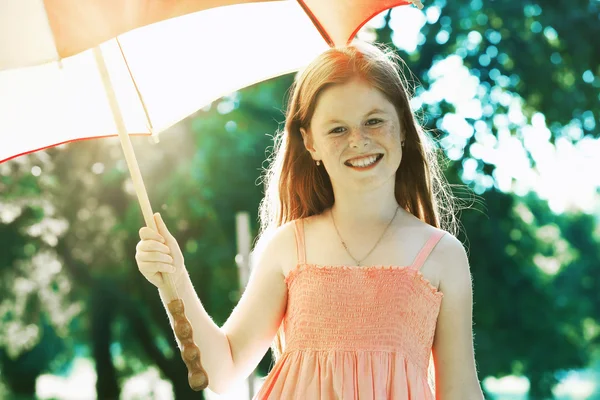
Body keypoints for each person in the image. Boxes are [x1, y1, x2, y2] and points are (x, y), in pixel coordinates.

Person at [135, 41, 485, 399]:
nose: (359, 140)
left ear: (404, 128)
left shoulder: (442, 255)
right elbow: (223, 373)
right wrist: (173, 278)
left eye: (375, 121)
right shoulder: (287, 246)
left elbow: (460, 392)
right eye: (337, 129)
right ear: (310, 142)